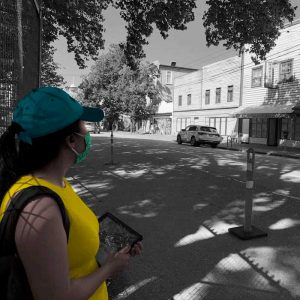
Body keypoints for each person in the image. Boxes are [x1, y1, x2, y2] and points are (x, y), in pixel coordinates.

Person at [0, 86, 142, 300]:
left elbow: (70, 240)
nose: (88, 132)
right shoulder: (40, 208)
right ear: (71, 140)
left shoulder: (55, 183)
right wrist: (109, 269)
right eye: (84, 125)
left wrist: (112, 250)